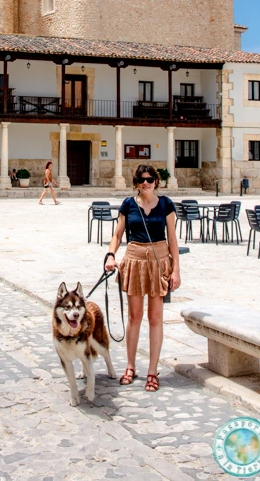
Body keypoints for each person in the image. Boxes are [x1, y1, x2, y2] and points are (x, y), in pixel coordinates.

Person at [105, 164, 180, 392]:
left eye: (149, 179)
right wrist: (110, 255)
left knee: (155, 317)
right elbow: (117, 235)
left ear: (156, 181)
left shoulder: (166, 204)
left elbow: (173, 239)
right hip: (135, 259)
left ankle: (152, 370)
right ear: (136, 183)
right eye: (140, 179)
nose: (145, 183)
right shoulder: (128, 205)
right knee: (134, 316)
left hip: (159, 260)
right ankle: (130, 366)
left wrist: (176, 269)